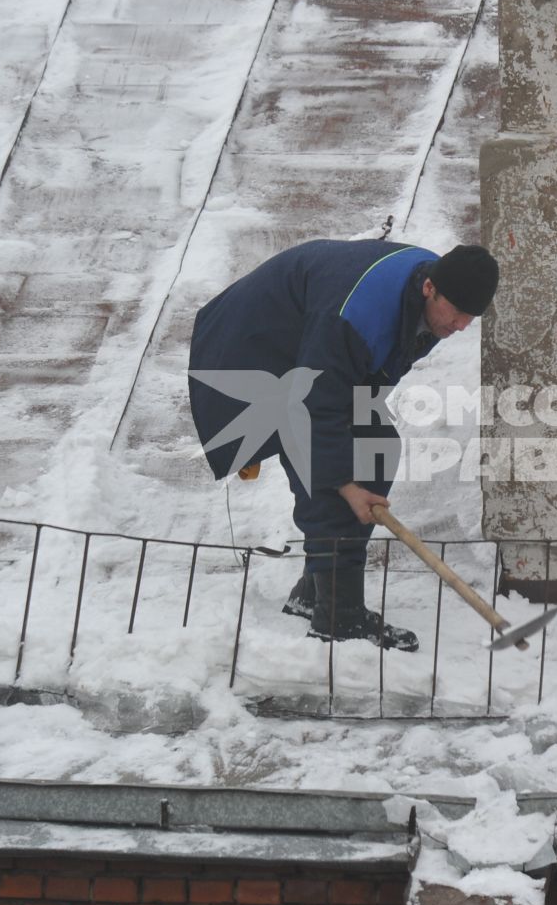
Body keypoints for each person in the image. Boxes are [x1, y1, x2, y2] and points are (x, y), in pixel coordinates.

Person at [188, 240, 498, 651]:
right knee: (326, 478)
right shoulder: (359, 315)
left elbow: (368, 370)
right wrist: (345, 483)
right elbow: (315, 407)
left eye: (470, 318)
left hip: (312, 350)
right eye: (457, 313)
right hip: (252, 353)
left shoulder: (433, 293)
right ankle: (340, 616)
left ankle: (315, 591)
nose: (460, 326)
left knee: (376, 449)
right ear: (429, 289)